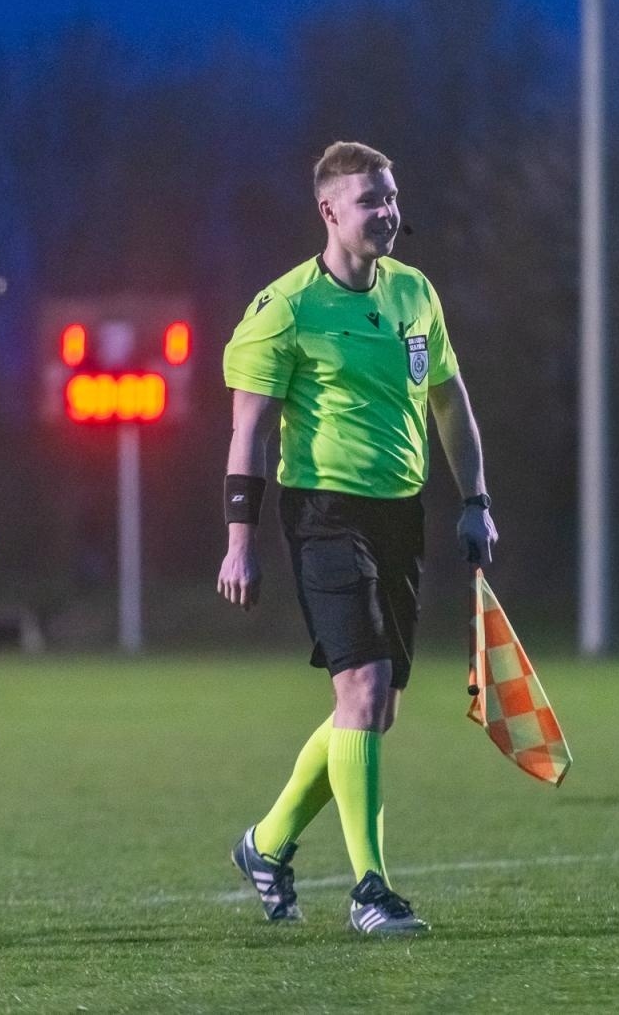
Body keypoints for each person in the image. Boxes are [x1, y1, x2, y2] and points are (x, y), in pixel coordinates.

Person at [218, 141, 497, 934]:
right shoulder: (285, 309)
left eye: (391, 196)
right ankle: (370, 889)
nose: (387, 211)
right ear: (329, 211)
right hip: (323, 512)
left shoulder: (414, 293)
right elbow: (248, 434)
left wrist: (475, 500)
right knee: (364, 690)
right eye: (370, 199)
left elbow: (450, 402)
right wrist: (239, 541)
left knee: (374, 711)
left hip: (400, 514)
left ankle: (266, 843)